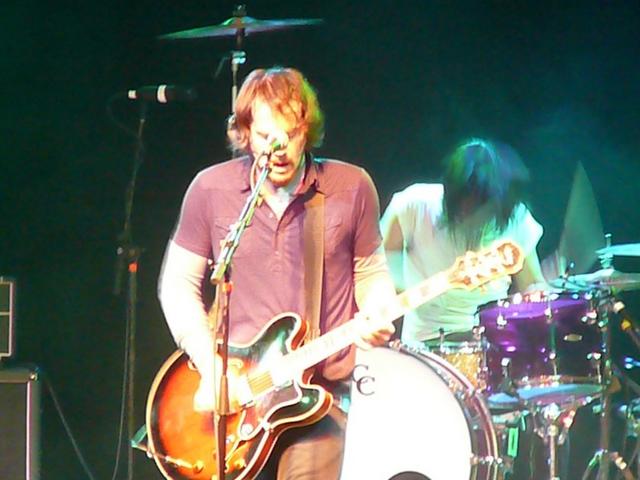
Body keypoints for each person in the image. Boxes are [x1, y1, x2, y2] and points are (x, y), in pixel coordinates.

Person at [158, 67, 396, 480]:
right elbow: (178, 283)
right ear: (245, 135)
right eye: (266, 136)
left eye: (292, 134)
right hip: (238, 399)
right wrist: (209, 364)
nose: (279, 149)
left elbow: (371, 272)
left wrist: (378, 310)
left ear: (308, 131)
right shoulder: (210, 189)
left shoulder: (351, 186)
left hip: (319, 397)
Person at [381, 138, 546, 346]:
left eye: (481, 209)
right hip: (422, 345)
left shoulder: (517, 218)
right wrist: (406, 293)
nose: (472, 216)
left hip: (491, 342)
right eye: (466, 208)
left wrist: (538, 294)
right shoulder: (413, 205)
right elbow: (377, 266)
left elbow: (531, 283)